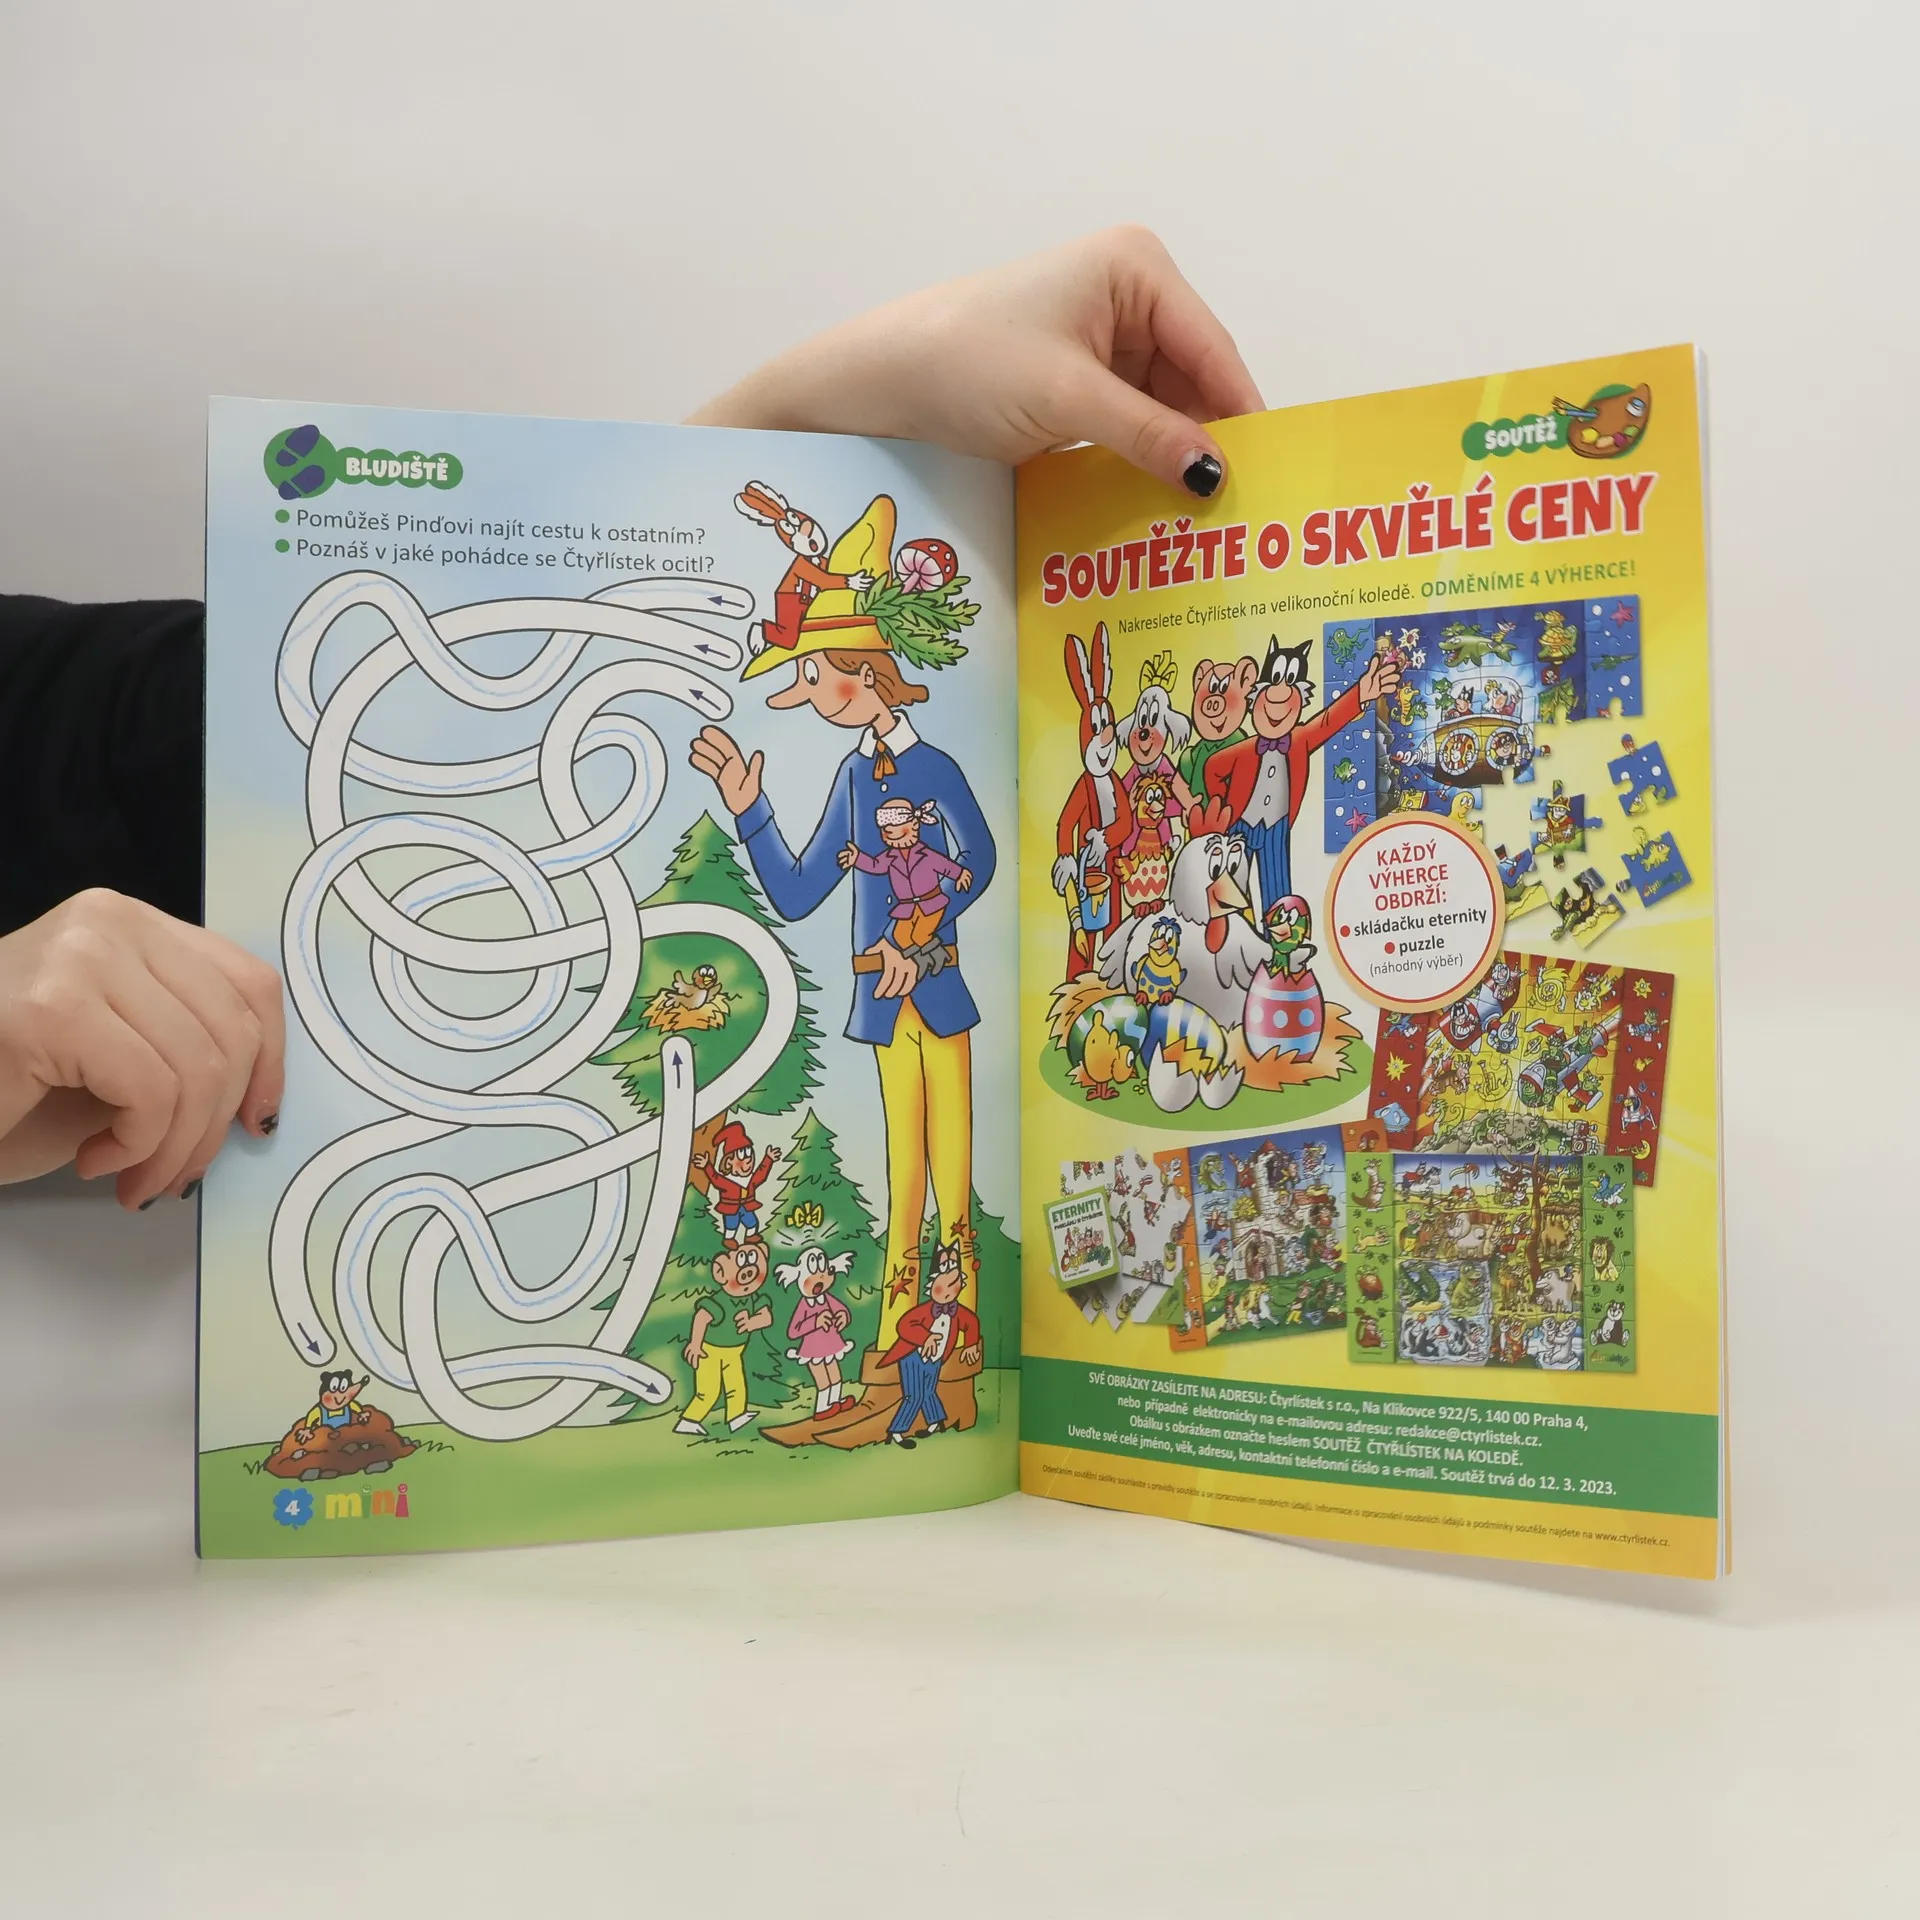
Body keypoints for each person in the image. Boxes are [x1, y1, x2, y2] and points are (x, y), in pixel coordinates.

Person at [0, 226, 1263, 1208]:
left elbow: (296, 726)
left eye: (821, 677)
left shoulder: (929, 766)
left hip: (937, 996)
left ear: (872, 674)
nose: (812, 694)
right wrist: (750, 804)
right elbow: (801, 886)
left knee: (949, 1185)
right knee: (911, 1183)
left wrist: (811, 408)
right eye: (809, 680)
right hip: (879, 1007)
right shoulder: (844, 781)